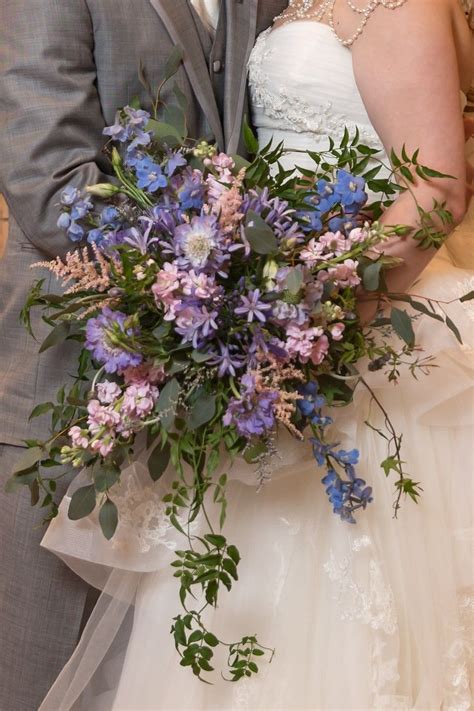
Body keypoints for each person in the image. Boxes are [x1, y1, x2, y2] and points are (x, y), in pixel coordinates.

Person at [14, 0, 474, 708]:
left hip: (321, 332)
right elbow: (49, 187)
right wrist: (213, 289)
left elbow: (437, 183)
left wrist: (309, 305)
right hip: (188, 346)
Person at [0, 2, 288, 709]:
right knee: (41, 675)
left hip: (212, 408)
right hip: (70, 387)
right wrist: (210, 266)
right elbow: (48, 185)